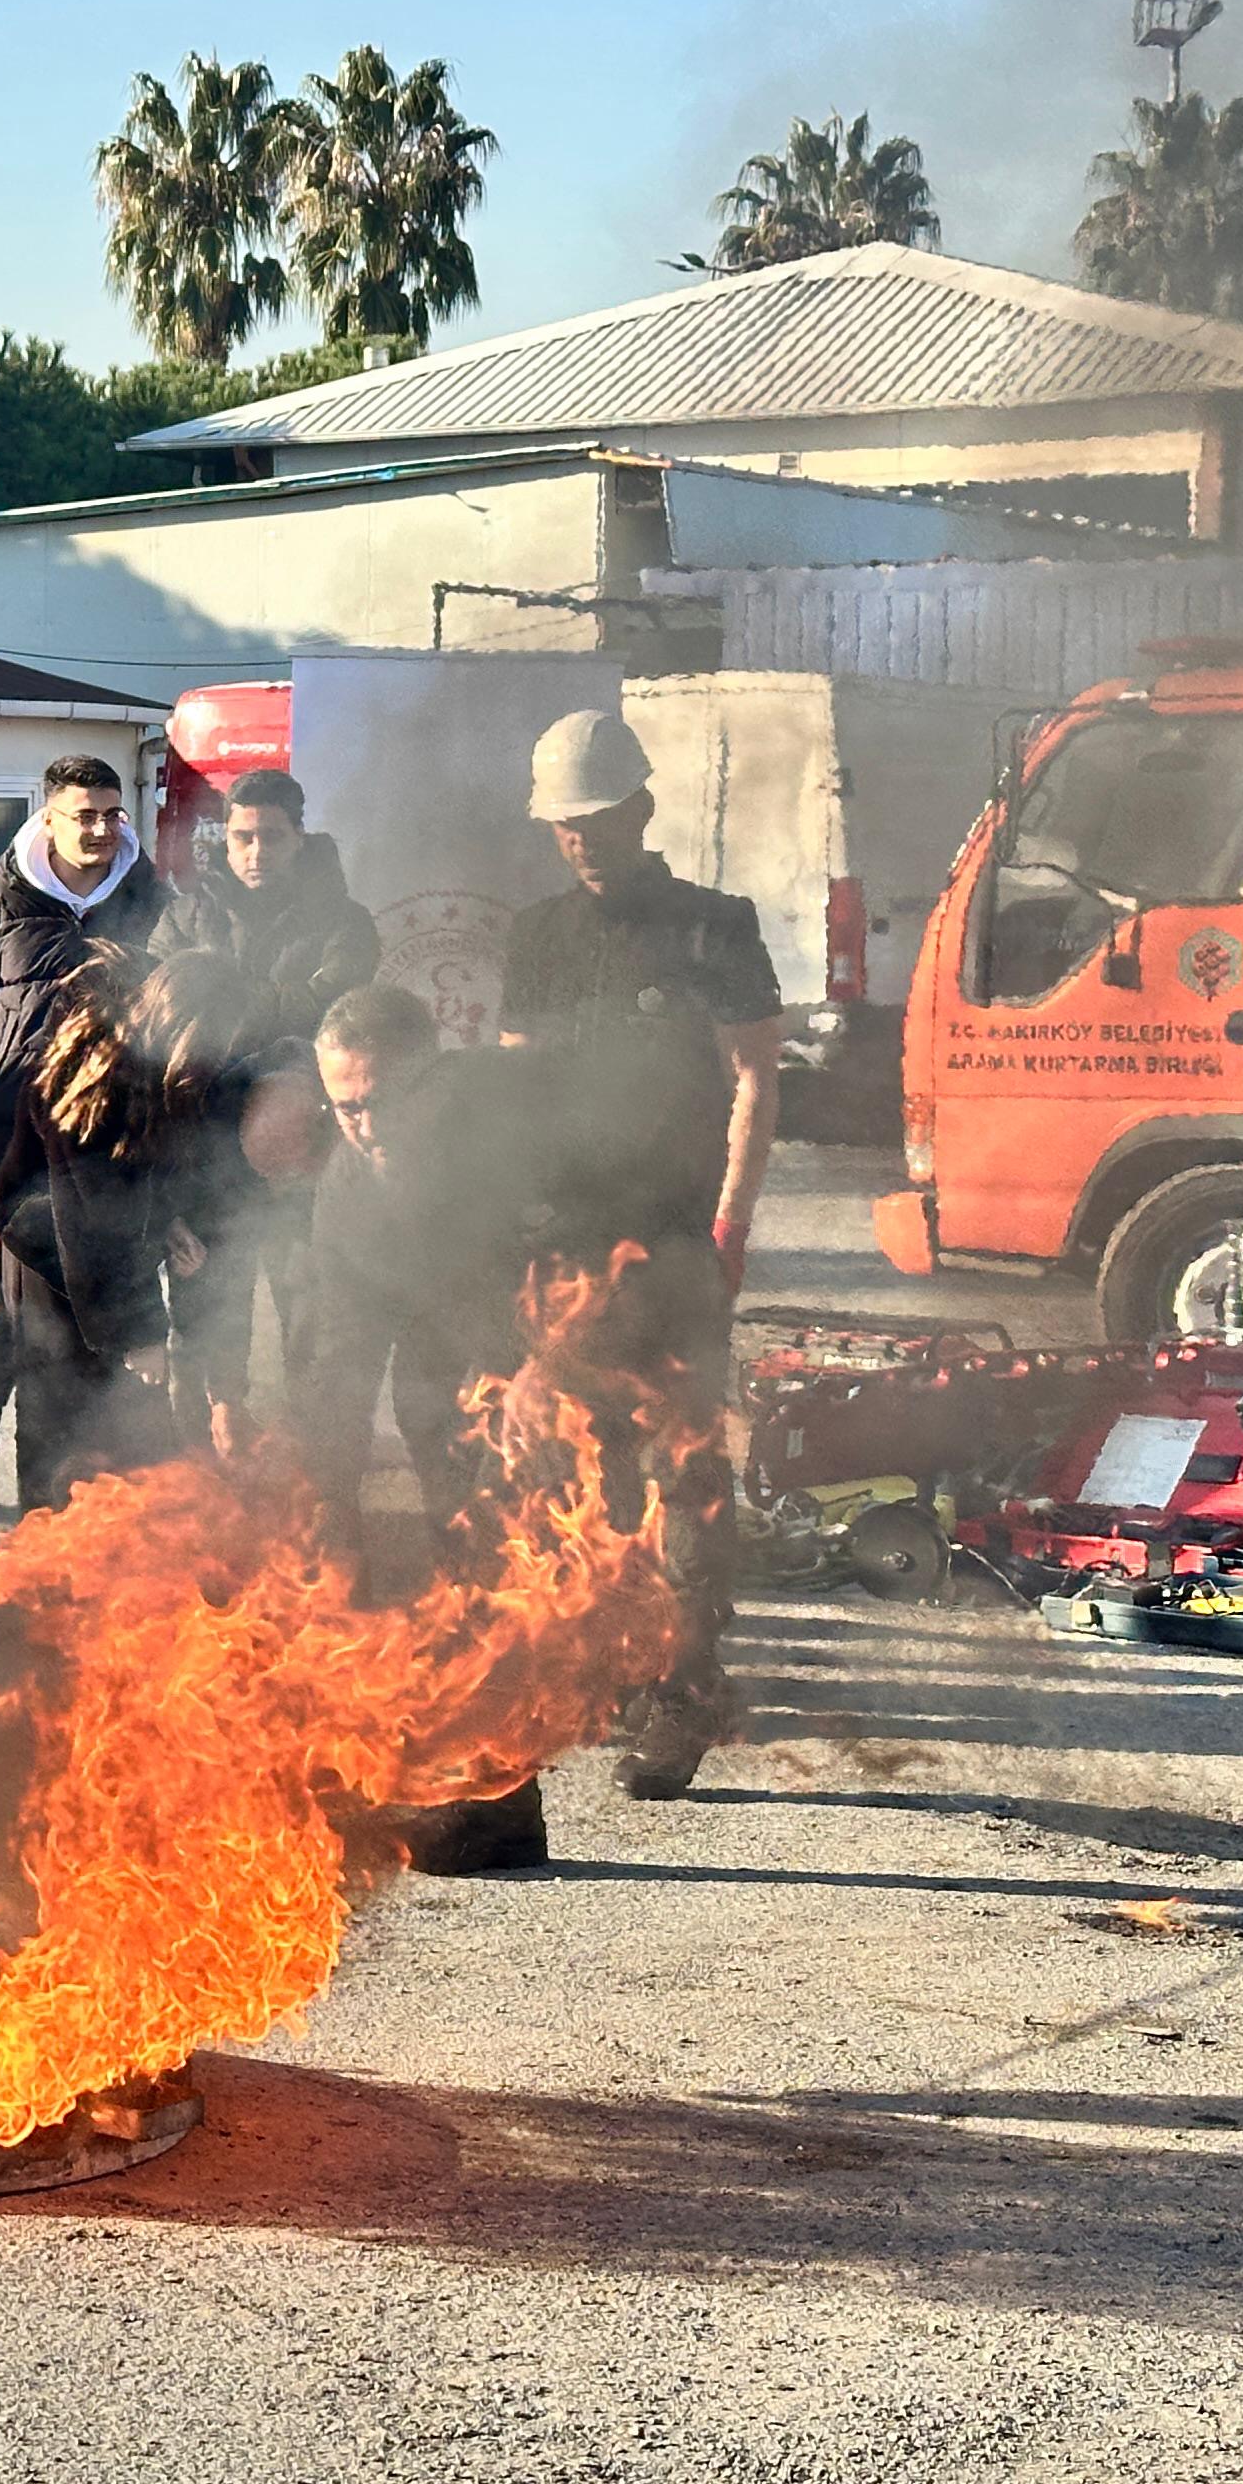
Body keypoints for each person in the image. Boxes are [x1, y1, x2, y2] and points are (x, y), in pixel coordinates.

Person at [501, 709, 783, 1800]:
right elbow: (520, 1101)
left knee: (686, 1480)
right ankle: (619, 1670)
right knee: (582, 1470)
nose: (580, 838)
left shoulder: (716, 928)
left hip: (674, 1249)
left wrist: (731, 1229)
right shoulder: (536, 937)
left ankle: (687, 1691)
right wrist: (520, 1243)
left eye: (598, 817)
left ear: (642, 809)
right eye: (563, 823)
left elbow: (757, 1085)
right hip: (565, 1252)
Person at [280, 979, 559, 1876]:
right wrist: (325, 1487)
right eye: (344, 1106)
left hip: (555, 1388)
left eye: (381, 1100)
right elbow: (342, 1345)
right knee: (442, 1581)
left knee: (506, 1587)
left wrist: (544, 1371)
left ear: (429, 1076)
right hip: (449, 1401)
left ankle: (506, 1809)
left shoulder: (515, 1140)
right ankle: (474, 1800)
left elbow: (602, 1259)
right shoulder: (347, 1186)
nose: (364, 1124)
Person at [0, 754, 166, 1522]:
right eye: (82, 814)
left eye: (110, 814)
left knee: (105, 1287)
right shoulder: (1, 902)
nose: (97, 828)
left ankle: (98, 1480)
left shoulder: (156, 902)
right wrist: (3, 1087)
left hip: (113, 1134)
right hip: (13, 1134)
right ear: (48, 818)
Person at [0, 948, 257, 1514]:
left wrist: (169, 1221)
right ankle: (49, 1557)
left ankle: (129, 1561)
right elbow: (91, 1222)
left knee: (135, 1429)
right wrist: (141, 1335)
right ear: (184, 1024)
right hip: (45, 1245)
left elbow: (153, 1174)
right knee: (63, 1418)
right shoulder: (98, 1076)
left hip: (99, 1250)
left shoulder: (164, 1066)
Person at [155, 766, 381, 1426]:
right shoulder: (184, 918)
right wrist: (279, 1013)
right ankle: (199, 1484)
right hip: (201, 1160)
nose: (257, 853)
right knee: (201, 1336)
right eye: (244, 837)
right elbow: (162, 1018)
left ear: (301, 838)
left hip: (301, 1162)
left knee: (312, 1332)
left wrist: (218, 1006)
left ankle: (315, 1485)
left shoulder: (346, 923)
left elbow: (332, 1016)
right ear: (224, 839)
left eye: (273, 838)